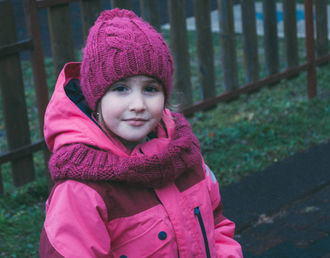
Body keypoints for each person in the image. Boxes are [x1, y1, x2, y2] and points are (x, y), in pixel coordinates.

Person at [39, 8, 243, 258]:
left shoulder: (185, 155)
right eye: (121, 89)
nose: (138, 104)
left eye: (150, 89)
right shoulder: (81, 190)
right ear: (96, 97)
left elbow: (217, 226)